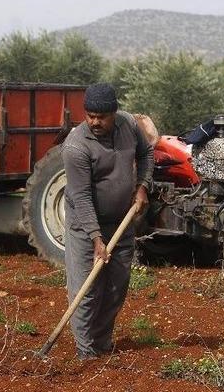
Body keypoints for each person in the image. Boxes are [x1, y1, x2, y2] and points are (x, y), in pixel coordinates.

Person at [62, 83, 154, 359]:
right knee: (86, 289)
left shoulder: (127, 124)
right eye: (89, 115)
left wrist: (143, 185)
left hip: (120, 221)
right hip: (85, 226)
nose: (94, 122)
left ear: (114, 112)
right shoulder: (75, 147)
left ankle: (101, 343)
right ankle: (85, 350)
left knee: (116, 286)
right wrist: (96, 239)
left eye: (101, 116)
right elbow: (81, 196)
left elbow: (146, 152)